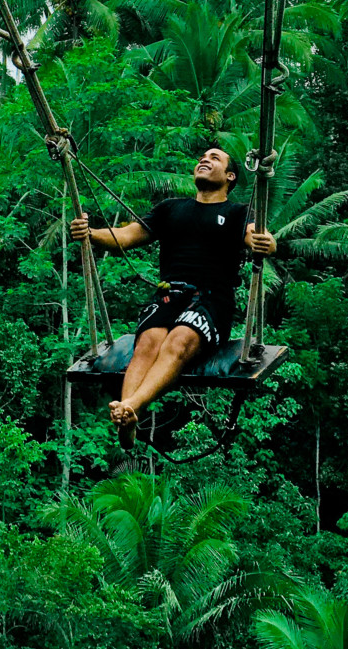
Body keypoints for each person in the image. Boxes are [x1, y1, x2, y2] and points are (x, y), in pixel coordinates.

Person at [69, 146, 281, 444]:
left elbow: (256, 237)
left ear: (230, 176)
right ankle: (125, 416)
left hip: (212, 298)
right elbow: (127, 236)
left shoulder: (238, 212)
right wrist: (90, 233)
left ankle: (131, 406)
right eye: (202, 158)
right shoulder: (171, 208)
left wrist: (266, 244)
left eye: (214, 158)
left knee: (178, 340)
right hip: (170, 293)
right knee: (148, 343)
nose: (204, 160)